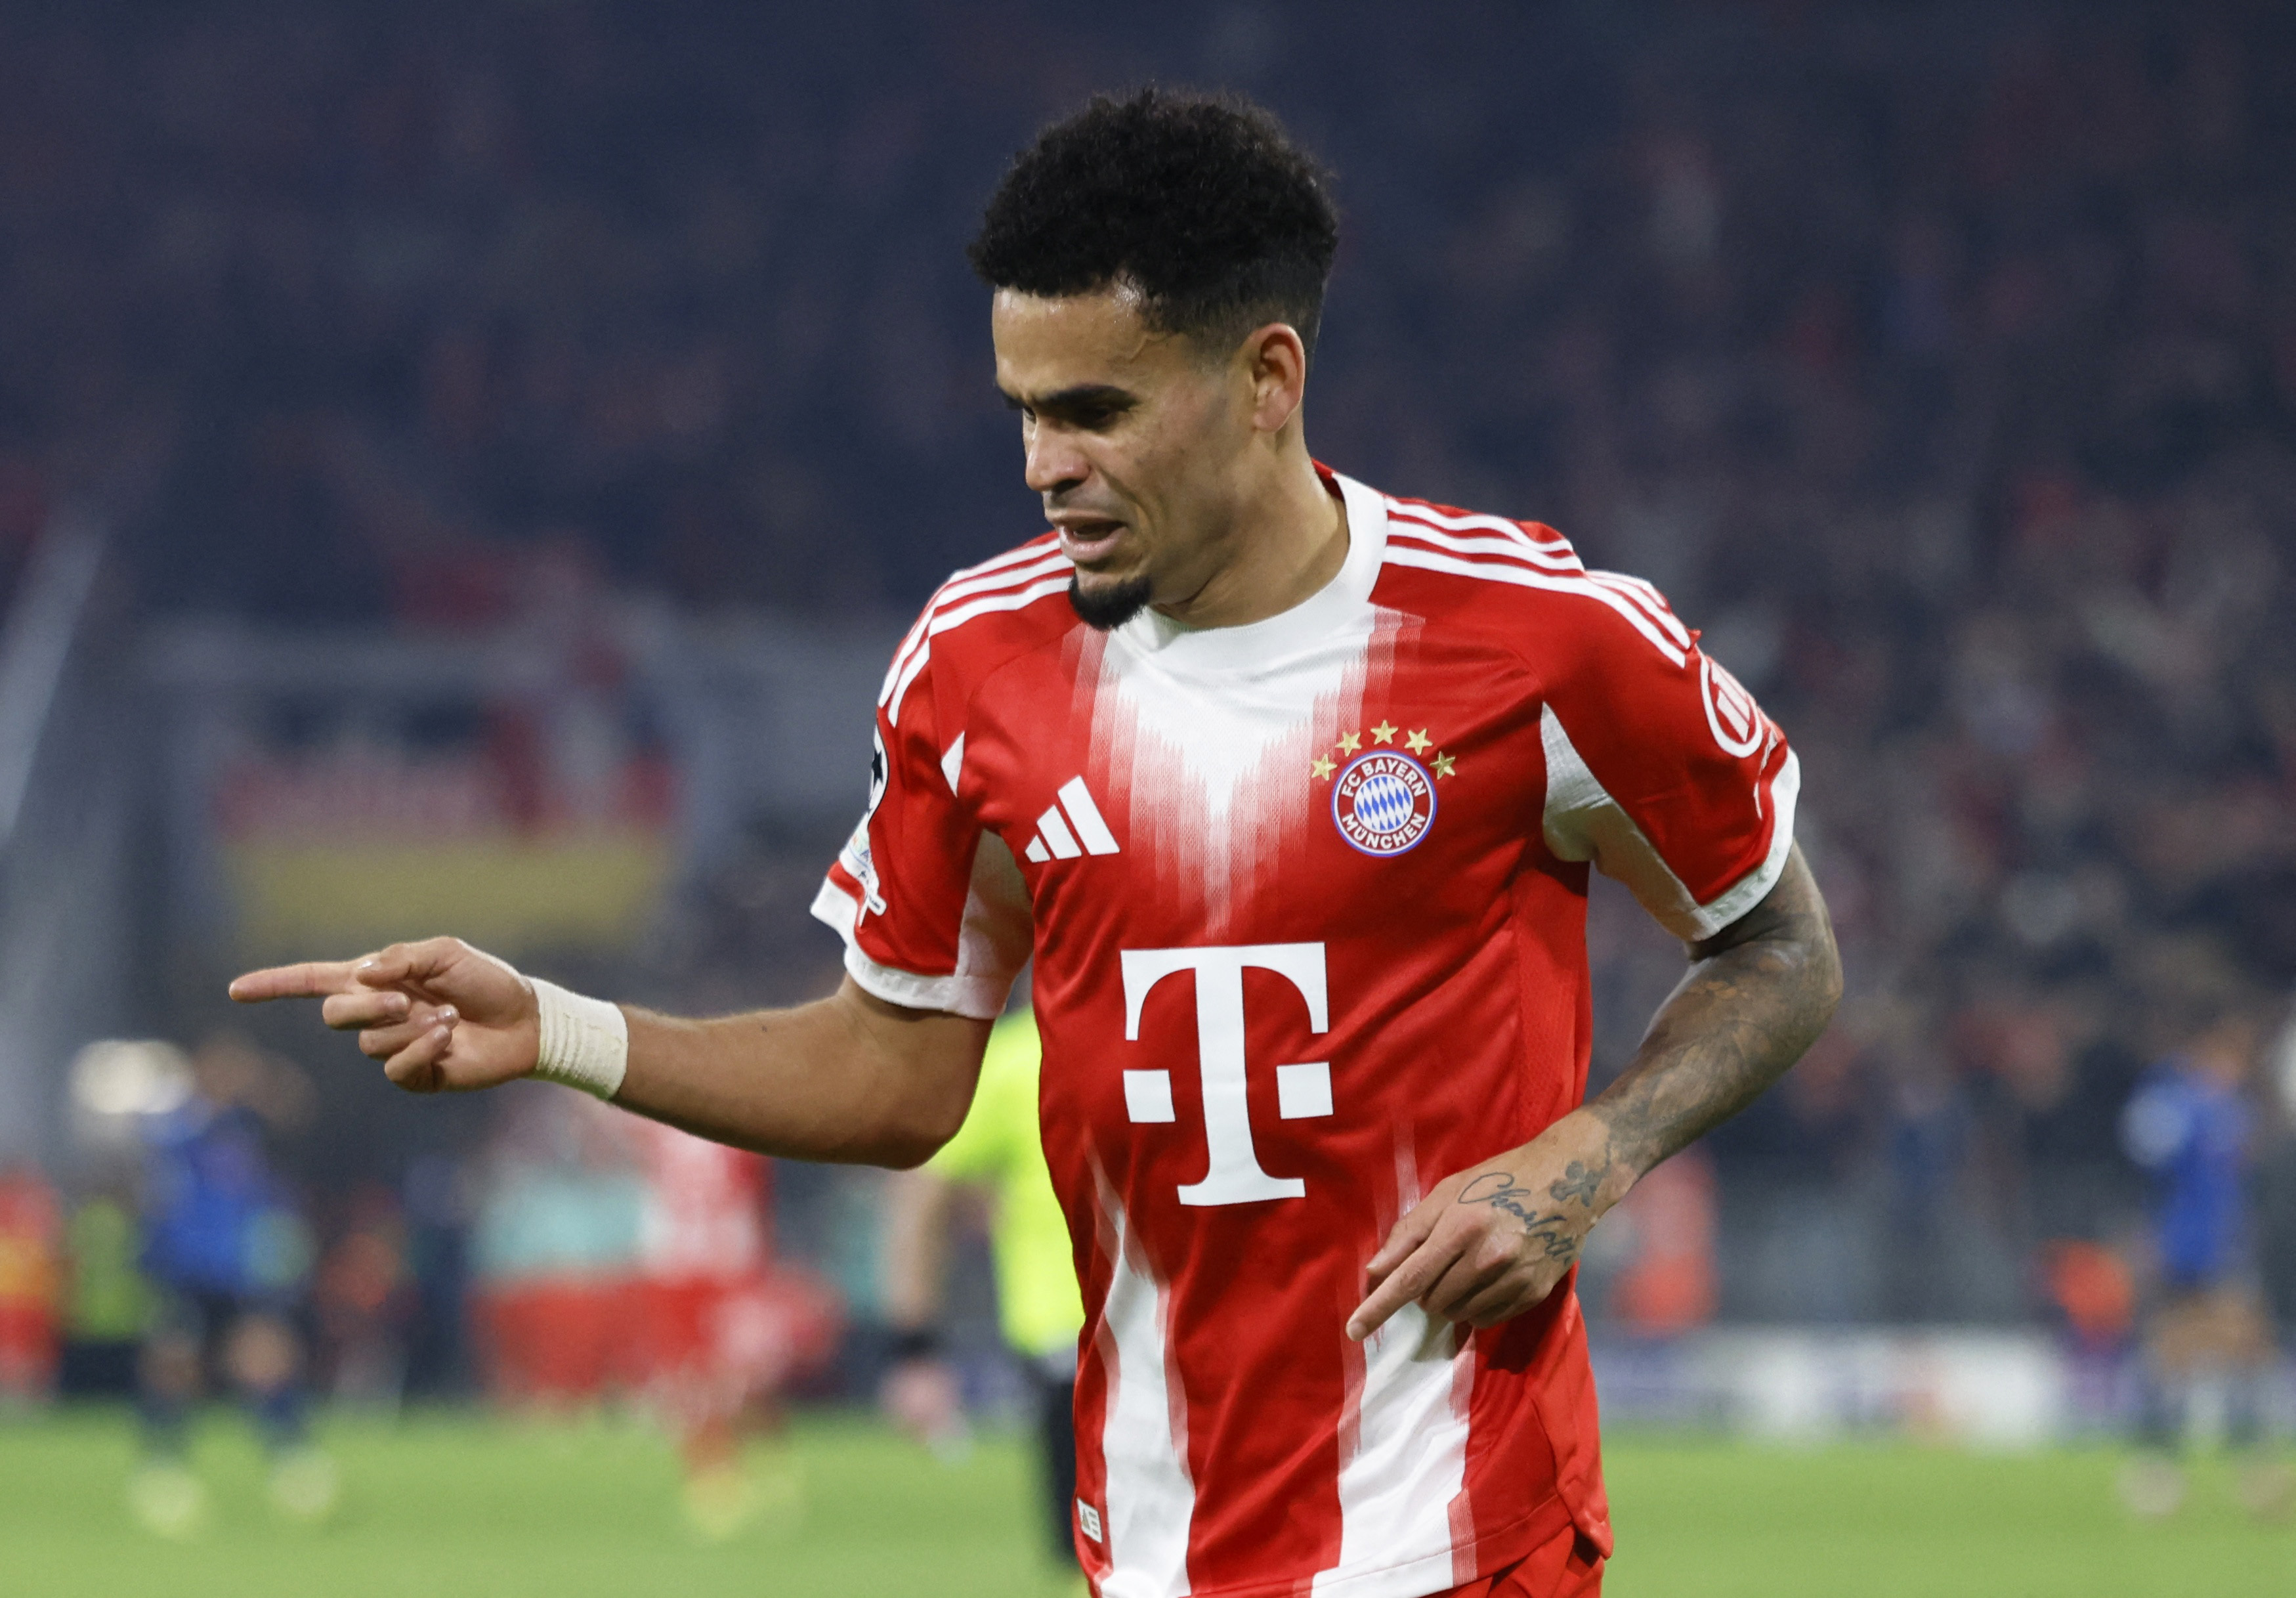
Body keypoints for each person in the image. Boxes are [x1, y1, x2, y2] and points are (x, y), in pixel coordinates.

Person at [229, 91, 1840, 1597]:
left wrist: (1591, 1151)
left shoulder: (1540, 641)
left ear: (1266, 379)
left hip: (1461, 1533)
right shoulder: (973, 662)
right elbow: (895, 1071)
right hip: (1138, 1536)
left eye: (1094, 411)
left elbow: (1773, 946)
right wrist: (558, 1029)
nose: (1040, 466)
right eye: (1019, 411)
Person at [880, 1004, 1087, 1575]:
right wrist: (915, 1350)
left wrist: (912, 1350)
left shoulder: (1019, 1057)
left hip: (1071, 1336)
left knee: (1107, 1556)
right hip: (1084, 1339)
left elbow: (921, 1195)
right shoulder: (1026, 1058)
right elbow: (925, 1195)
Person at [130, 1035, 335, 1536]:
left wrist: (262, 1080)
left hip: (243, 1266)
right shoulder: (177, 1121)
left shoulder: (246, 1126)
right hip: (185, 1264)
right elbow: (158, 1148)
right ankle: (164, 1468)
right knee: (175, 1365)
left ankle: (292, 1462)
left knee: (264, 1357)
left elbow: (298, 1106)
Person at [2117, 1009, 2291, 1520]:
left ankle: (2160, 1472)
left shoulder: (2220, 1107)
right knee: (2236, 1349)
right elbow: (2149, 1155)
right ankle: (2247, 1473)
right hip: (2193, 1249)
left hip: (2205, 1245)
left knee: (2199, 1352)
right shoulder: (2185, 1103)